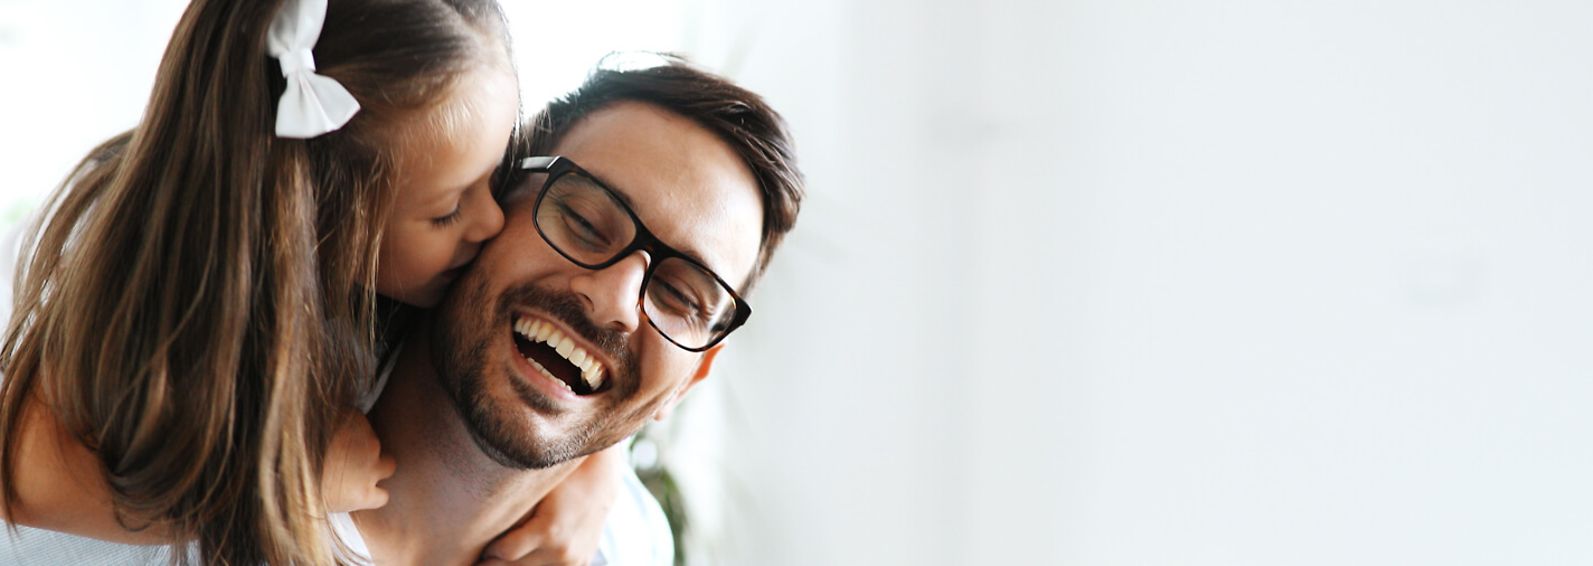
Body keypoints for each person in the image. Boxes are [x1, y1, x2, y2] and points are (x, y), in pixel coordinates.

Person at [0, 0, 622, 563]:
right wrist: (281, 476)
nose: (490, 221)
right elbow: (23, 479)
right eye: (447, 209)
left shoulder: (393, 261)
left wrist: (594, 460)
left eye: (498, 174)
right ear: (317, 219)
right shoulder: (139, 277)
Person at [347, 58, 805, 564]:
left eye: (680, 294)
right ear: (490, 202)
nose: (616, 302)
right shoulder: (256, 406)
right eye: (584, 221)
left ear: (691, 377)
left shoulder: (632, 543)